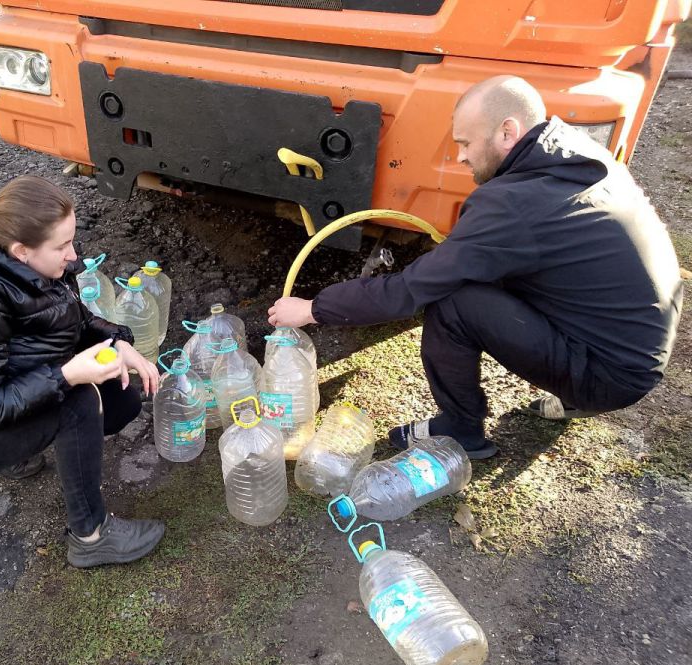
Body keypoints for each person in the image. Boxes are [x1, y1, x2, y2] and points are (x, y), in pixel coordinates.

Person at [268, 75, 683, 459]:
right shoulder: (576, 154)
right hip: (639, 346)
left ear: (507, 131)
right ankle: (575, 392)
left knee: (453, 302)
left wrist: (312, 309)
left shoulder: (512, 205)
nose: (462, 157)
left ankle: (461, 430)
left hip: (610, 373)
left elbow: (411, 289)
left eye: (466, 143)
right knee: (490, 273)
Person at [0, 175, 165, 568]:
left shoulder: (17, 255)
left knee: (122, 396)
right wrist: (68, 375)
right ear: (22, 251)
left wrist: (117, 342)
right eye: (62, 246)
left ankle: (23, 446)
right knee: (78, 401)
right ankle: (91, 536)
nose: (74, 256)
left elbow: (68, 317)